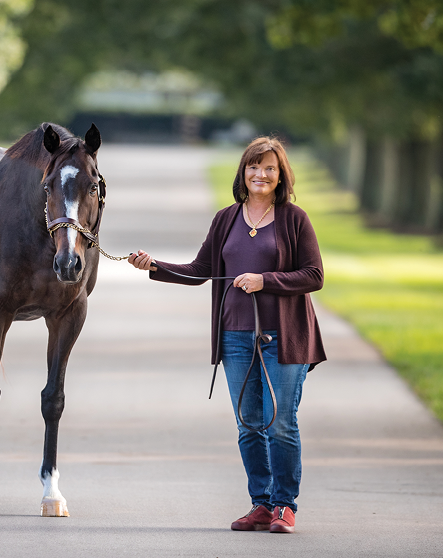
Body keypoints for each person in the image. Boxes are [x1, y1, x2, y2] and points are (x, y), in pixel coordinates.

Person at [128, 137, 325, 534]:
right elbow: (200, 269)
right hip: (236, 337)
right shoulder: (226, 219)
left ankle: (285, 505)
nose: (261, 174)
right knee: (248, 423)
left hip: (283, 338)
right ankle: (261, 504)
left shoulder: (294, 219)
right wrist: (154, 266)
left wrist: (263, 280)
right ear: (243, 172)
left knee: (280, 423)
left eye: (269, 168)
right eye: (254, 167)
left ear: (280, 175)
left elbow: (314, 275)